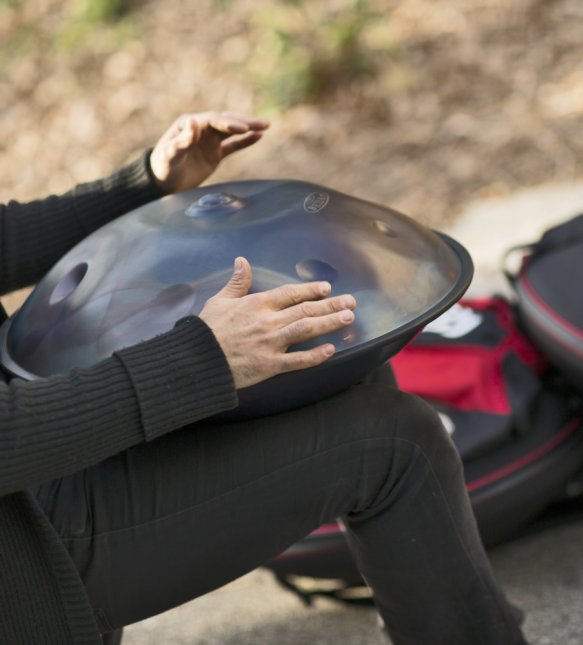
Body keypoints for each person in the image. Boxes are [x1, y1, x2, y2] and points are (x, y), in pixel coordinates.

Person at [0, 111, 528, 645]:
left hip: (46, 459)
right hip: (30, 548)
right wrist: (197, 359)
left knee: (342, 365)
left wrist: (146, 185)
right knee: (395, 443)